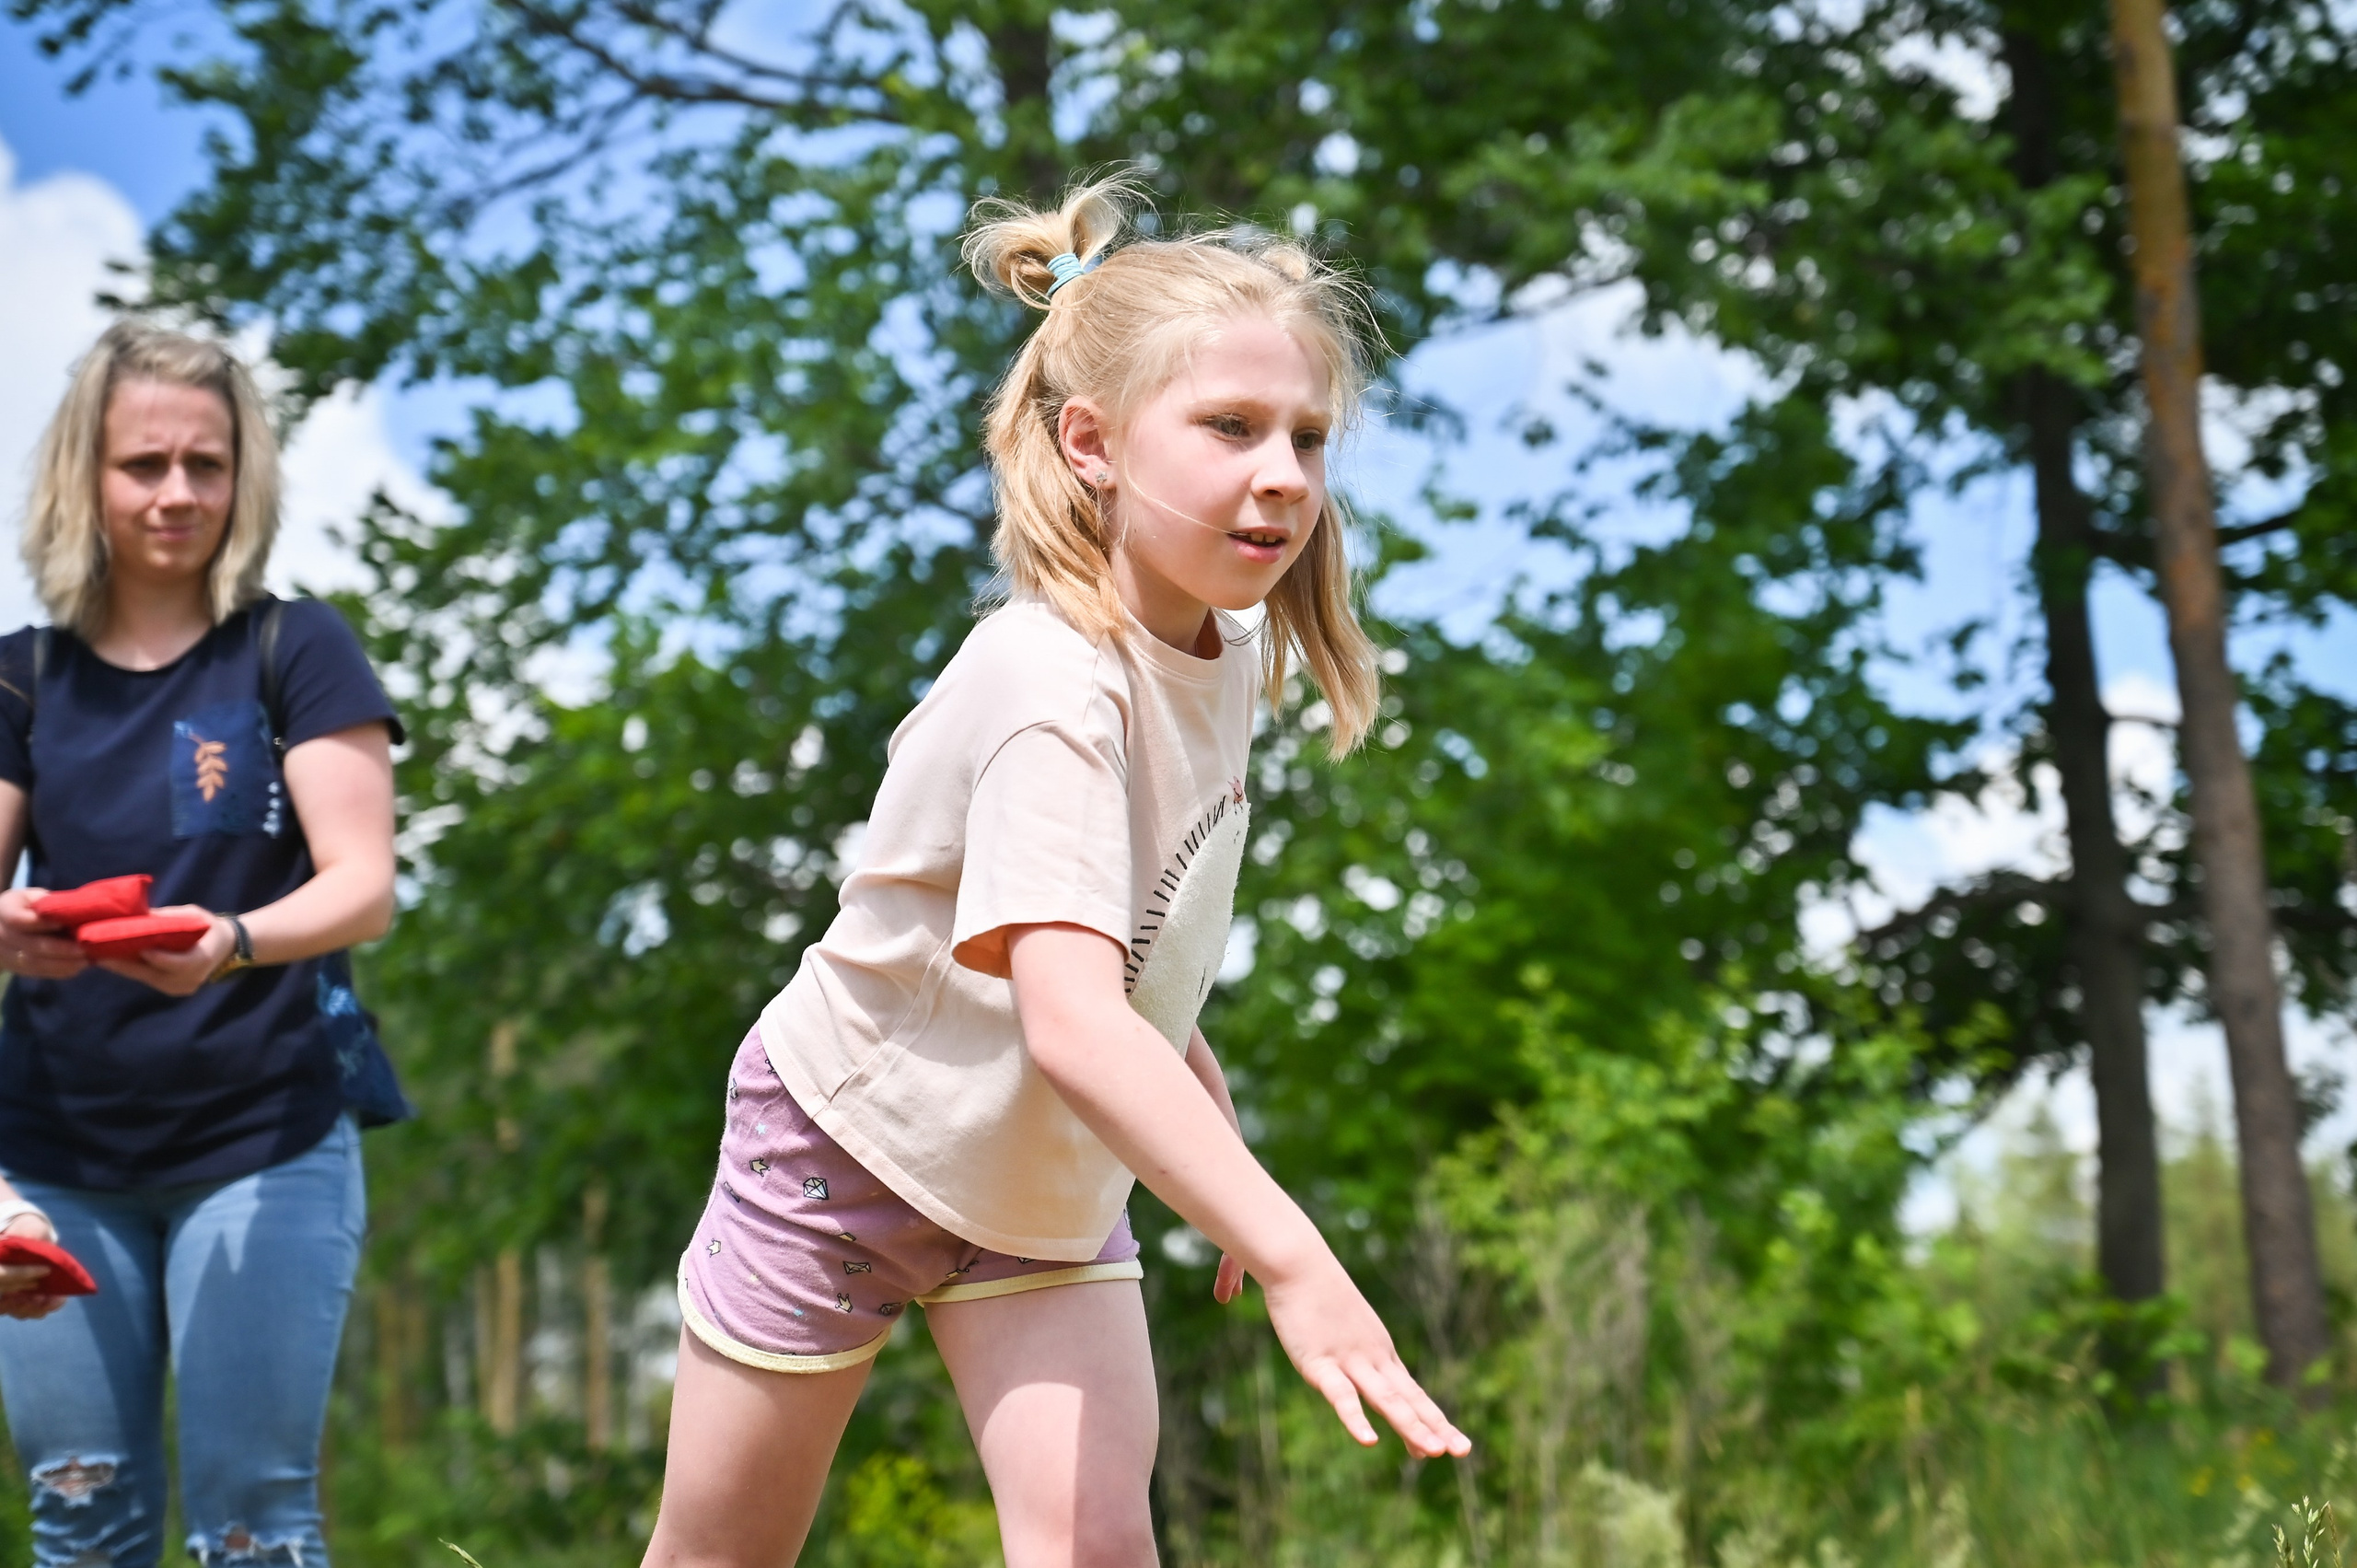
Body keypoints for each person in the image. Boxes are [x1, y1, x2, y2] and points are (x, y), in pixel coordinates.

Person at [643, 177, 1469, 1568]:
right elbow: (1070, 1014)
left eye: (1308, 438)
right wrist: (1291, 1254)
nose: (1282, 472)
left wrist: (1195, 1110)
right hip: (849, 1144)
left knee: (1095, 1549)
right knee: (724, 1552)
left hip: (1042, 1182)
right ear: (1089, 441)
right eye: (1229, 428)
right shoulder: (1050, 680)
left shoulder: (1219, 654)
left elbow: (1114, 944)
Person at [0, 322, 404, 1568]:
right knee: (82, 1515)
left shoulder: (295, 650)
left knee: (255, 1525)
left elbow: (363, 888)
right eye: (143, 465)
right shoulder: (23, 679)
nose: (177, 493)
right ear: (87, 477)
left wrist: (231, 939)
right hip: (53, 1163)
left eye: (206, 464)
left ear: (243, 479)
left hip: (264, 1145)